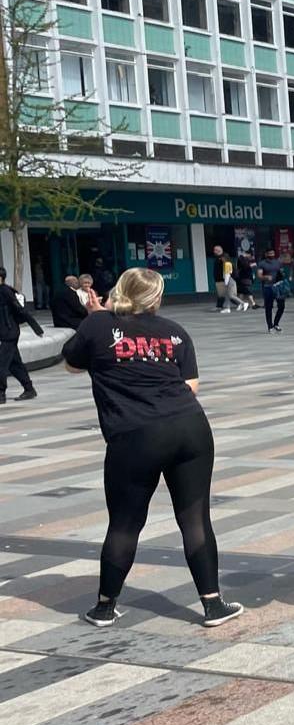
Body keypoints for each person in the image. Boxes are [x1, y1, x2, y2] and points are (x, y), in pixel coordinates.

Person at [62, 268, 244, 628]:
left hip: (135, 435)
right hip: (190, 428)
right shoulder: (175, 332)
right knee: (194, 517)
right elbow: (191, 384)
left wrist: (99, 319)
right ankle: (213, 604)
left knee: (125, 522)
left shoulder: (99, 325)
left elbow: (70, 363)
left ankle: (104, 606)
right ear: (156, 298)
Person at [0, 267, 42, 405]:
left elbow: (20, 310)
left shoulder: (5, 291)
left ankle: (1, 393)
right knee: (14, 363)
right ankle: (29, 389)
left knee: (2, 363)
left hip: (9, 332)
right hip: (5, 332)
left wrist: (36, 327)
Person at [256, 249, 289, 333]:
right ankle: (270, 326)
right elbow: (259, 275)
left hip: (278, 287)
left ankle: (276, 323)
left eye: (273, 253)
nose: (272, 254)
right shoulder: (262, 263)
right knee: (268, 307)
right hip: (267, 287)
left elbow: (282, 272)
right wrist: (265, 277)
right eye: (270, 253)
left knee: (281, 306)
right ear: (266, 254)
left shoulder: (278, 262)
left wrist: (282, 276)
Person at [211, 246, 227, 311]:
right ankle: (219, 305)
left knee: (221, 293)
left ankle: (219, 306)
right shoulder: (218, 258)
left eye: (215, 250)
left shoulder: (223, 257)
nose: (214, 251)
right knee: (221, 293)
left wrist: (225, 276)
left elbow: (226, 265)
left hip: (221, 279)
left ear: (218, 250)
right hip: (218, 278)